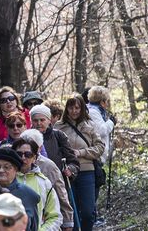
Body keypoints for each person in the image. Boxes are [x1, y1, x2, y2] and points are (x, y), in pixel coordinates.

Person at [56, 96, 104, 231]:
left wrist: (81, 152)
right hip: (67, 174)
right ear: (66, 109)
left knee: (88, 212)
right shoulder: (59, 127)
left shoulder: (90, 125)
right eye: (71, 107)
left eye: (77, 107)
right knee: (72, 210)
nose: (74, 111)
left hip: (87, 171)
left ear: (82, 108)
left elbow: (100, 147)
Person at [0, 148, 41, 231]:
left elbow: (34, 227)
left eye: (7, 167)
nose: (1, 170)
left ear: (16, 170)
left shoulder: (29, 195)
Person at [19, 129, 73, 230]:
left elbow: (60, 194)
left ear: (39, 148)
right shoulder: (12, 165)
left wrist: (68, 222)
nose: (23, 157)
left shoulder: (48, 166)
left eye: (29, 153)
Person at [11, 138, 61, 231]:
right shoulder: (4, 180)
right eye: (19, 154)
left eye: (28, 155)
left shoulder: (44, 182)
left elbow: (55, 217)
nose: (23, 158)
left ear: (34, 157)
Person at [28, 105, 77, 178]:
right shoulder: (27, 137)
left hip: (56, 179)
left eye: (42, 120)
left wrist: (70, 169)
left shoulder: (59, 135)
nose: (39, 123)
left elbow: (72, 160)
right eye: (35, 120)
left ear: (49, 120)